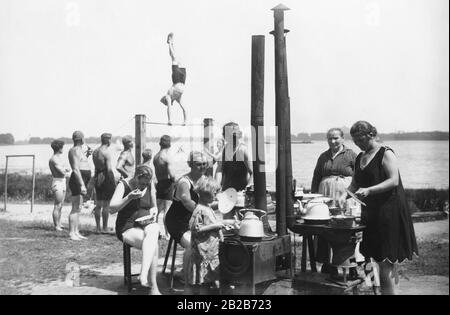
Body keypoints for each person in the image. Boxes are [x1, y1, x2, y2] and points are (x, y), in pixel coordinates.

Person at [345, 121, 418, 295]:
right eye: (354, 141)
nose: (358, 144)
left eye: (361, 139)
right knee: (371, 255)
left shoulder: (386, 153)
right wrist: (344, 195)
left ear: (371, 134)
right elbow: (355, 183)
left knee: (386, 259)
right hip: (370, 213)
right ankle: (383, 291)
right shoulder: (359, 157)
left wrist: (369, 190)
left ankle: (390, 293)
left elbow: (393, 180)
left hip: (388, 211)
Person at [311, 128, 358, 276]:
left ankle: (351, 266)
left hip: (345, 195)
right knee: (326, 227)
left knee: (346, 227)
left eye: (336, 138)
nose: (333, 141)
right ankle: (328, 264)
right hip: (325, 194)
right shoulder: (323, 156)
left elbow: (360, 177)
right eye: (330, 138)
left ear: (343, 139)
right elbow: (316, 177)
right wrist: (314, 198)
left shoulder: (351, 155)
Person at [109, 165, 161, 295]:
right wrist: (128, 198)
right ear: (135, 177)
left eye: (146, 184)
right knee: (153, 245)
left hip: (145, 222)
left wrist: (154, 211)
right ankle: (153, 287)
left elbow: (154, 206)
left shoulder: (149, 184)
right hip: (127, 226)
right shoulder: (124, 185)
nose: (143, 186)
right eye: (141, 183)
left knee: (155, 228)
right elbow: (111, 208)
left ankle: (144, 276)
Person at [165, 151, 208, 281]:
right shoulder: (184, 182)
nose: (202, 167)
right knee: (194, 245)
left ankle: (203, 274)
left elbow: (210, 199)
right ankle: (186, 273)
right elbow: (188, 203)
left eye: (205, 164)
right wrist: (206, 209)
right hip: (178, 223)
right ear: (190, 164)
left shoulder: (204, 180)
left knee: (213, 243)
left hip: (194, 221)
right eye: (198, 164)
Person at [186, 177, 224, 294]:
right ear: (205, 194)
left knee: (214, 281)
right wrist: (216, 226)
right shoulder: (200, 210)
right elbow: (195, 228)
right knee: (205, 284)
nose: (216, 196)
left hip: (211, 251)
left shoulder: (208, 208)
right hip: (203, 252)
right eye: (214, 193)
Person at [215, 122, 253, 219]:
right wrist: (216, 187)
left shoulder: (242, 150)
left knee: (241, 221)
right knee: (227, 222)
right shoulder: (225, 149)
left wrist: (246, 190)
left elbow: (253, 173)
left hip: (240, 192)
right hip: (226, 191)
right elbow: (219, 169)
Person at [160, 33, 187, 126]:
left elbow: (183, 108)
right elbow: (170, 108)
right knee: (175, 58)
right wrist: (169, 120)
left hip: (181, 84)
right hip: (179, 82)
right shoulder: (169, 96)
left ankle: (171, 43)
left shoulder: (175, 97)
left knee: (176, 58)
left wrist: (184, 121)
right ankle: (170, 43)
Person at [92, 133, 116, 234]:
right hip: (105, 177)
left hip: (97, 176)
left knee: (98, 204)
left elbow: (95, 166)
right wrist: (113, 182)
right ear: (108, 140)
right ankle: (105, 228)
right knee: (106, 204)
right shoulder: (106, 152)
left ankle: (98, 228)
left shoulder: (95, 152)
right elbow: (109, 170)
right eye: (110, 140)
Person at [153, 135, 177, 238]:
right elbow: (172, 175)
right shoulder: (167, 157)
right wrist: (176, 181)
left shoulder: (156, 156)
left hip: (159, 183)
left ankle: (155, 232)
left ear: (160, 144)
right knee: (168, 210)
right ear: (170, 144)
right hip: (167, 183)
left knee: (157, 211)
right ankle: (168, 234)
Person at [68, 131, 88, 240]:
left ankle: (76, 231)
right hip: (77, 181)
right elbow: (75, 169)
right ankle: (71, 233)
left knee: (78, 208)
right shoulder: (74, 150)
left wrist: (87, 154)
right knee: (75, 208)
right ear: (81, 139)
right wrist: (82, 185)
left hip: (81, 180)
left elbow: (82, 162)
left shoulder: (80, 150)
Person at [49, 139, 70, 231]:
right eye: (62, 147)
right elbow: (62, 172)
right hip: (57, 182)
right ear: (59, 148)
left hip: (63, 181)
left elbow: (65, 171)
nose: (63, 149)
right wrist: (65, 170)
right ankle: (56, 225)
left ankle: (59, 223)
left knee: (61, 205)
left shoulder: (58, 158)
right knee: (57, 205)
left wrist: (65, 170)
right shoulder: (54, 159)